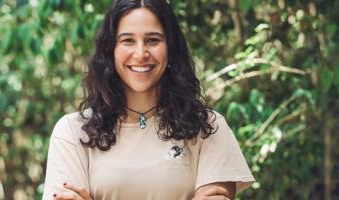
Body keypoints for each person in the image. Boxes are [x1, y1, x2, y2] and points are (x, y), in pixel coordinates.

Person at [43, 0, 255, 199]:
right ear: (111, 50)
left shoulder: (209, 128)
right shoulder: (72, 132)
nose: (140, 53)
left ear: (170, 48)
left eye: (153, 40)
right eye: (128, 40)